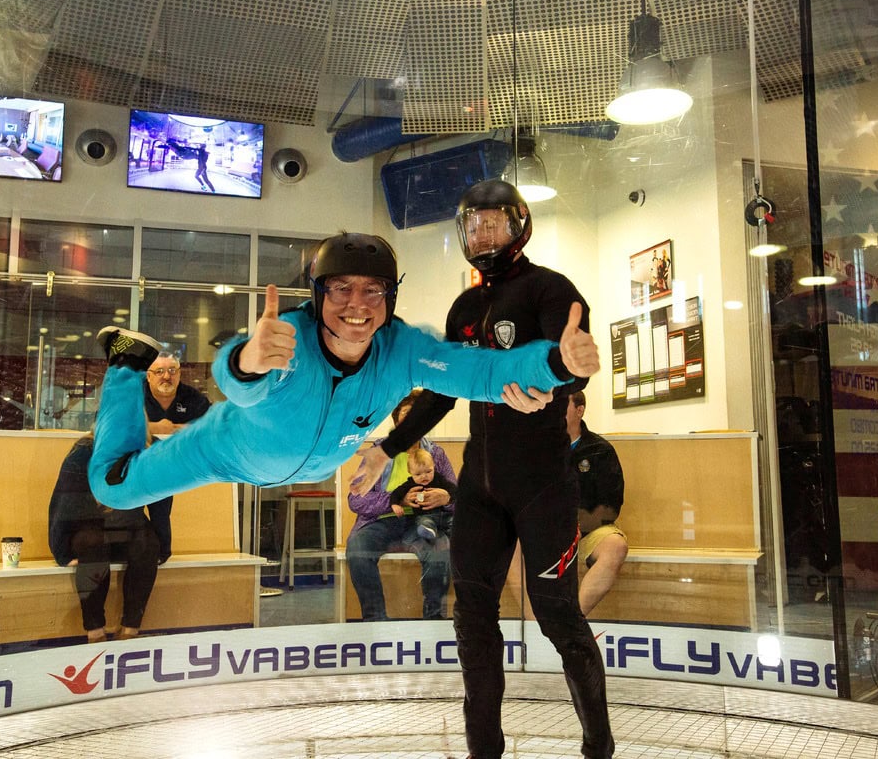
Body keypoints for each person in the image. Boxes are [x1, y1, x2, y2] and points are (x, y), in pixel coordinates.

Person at [353, 180, 614, 759]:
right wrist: (388, 448)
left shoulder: (552, 289)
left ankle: (599, 747)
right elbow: (444, 392)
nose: (482, 233)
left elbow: (568, 363)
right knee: (471, 617)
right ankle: (483, 752)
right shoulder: (465, 308)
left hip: (543, 482)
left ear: (519, 224)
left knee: (557, 615)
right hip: (481, 487)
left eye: (493, 221)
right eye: (472, 224)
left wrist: (566, 372)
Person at [86, 231, 599, 512]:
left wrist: (556, 361)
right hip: (224, 451)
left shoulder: (401, 349)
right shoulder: (289, 338)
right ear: (318, 294)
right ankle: (128, 361)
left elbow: (480, 369)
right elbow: (237, 384)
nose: (357, 305)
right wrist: (247, 361)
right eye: (340, 289)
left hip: (314, 466)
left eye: (373, 290)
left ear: (390, 298)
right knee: (113, 487)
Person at [48, 432, 171, 643]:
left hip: (129, 526)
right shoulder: (84, 452)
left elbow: (161, 503)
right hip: (89, 525)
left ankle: (130, 630)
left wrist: (163, 548)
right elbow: (63, 502)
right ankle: (95, 631)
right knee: (92, 543)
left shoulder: (152, 450)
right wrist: (60, 551)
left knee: (148, 544)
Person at [347, 391, 458, 620]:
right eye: (407, 415)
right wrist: (393, 501)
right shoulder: (379, 452)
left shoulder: (436, 454)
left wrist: (446, 498)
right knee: (358, 549)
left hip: (424, 522)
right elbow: (355, 499)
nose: (412, 421)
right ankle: (375, 621)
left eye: (419, 415)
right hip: (382, 522)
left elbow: (459, 499)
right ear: (396, 421)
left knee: (440, 550)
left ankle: (433, 621)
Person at [566, 390, 628, 616]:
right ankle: (534, 625)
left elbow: (611, 503)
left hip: (588, 530)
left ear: (579, 410)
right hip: (548, 533)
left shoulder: (600, 450)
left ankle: (573, 621)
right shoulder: (539, 450)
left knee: (616, 546)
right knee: (511, 543)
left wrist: (580, 526)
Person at [388, 449, 457, 542]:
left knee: (453, 521)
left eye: (428, 472)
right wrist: (395, 504)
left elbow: (454, 489)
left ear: (434, 466)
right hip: (423, 516)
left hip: (443, 514)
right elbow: (397, 493)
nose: (424, 476)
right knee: (423, 523)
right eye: (418, 474)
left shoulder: (439, 479)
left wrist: (448, 496)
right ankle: (428, 533)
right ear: (410, 472)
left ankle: (454, 534)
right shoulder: (410, 484)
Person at [143, 350, 210, 436]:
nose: (167, 376)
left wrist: (173, 428)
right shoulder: (133, 396)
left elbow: (210, 429)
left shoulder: (197, 400)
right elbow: (121, 429)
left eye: (172, 371)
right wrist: (154, 427)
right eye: (159, 371)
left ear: (179, 374)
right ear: (148, 376)